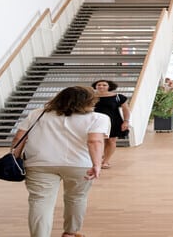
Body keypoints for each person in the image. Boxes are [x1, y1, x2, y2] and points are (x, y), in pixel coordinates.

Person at [11, 86, 108, 237]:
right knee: (76, 198)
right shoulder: (98, 118)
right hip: (79, 164)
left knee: (40, 201)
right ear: (90, 101)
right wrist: (97, 164)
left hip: (39, 163)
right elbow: (95, 141)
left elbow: (19, 138)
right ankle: (70, 233)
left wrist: (14, 159)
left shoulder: (37, 114)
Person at [91, 79, 130, 168]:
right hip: (97, 122)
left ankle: (106, 161)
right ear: (95, 86)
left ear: (109, 87)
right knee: (99, 141)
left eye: (104, 85)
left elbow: (126, 110)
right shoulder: (90, 96)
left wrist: (126, 121)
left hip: (114, 121)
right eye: (99, 85)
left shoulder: (118, 97)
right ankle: (99, 158)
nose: (101, 86)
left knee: (111, 141)